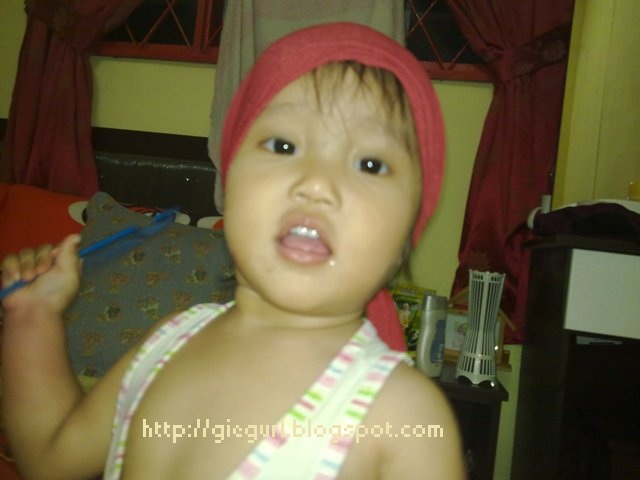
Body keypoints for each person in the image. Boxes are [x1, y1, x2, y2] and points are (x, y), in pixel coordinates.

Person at [1, 23, 465, 479]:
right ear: (229, 176)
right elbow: (51, 458)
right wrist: (32, 318)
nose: (317, 183)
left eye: (371, 164)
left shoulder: (403, 419)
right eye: (283, 145)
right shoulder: (169, 341)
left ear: (411, 225)